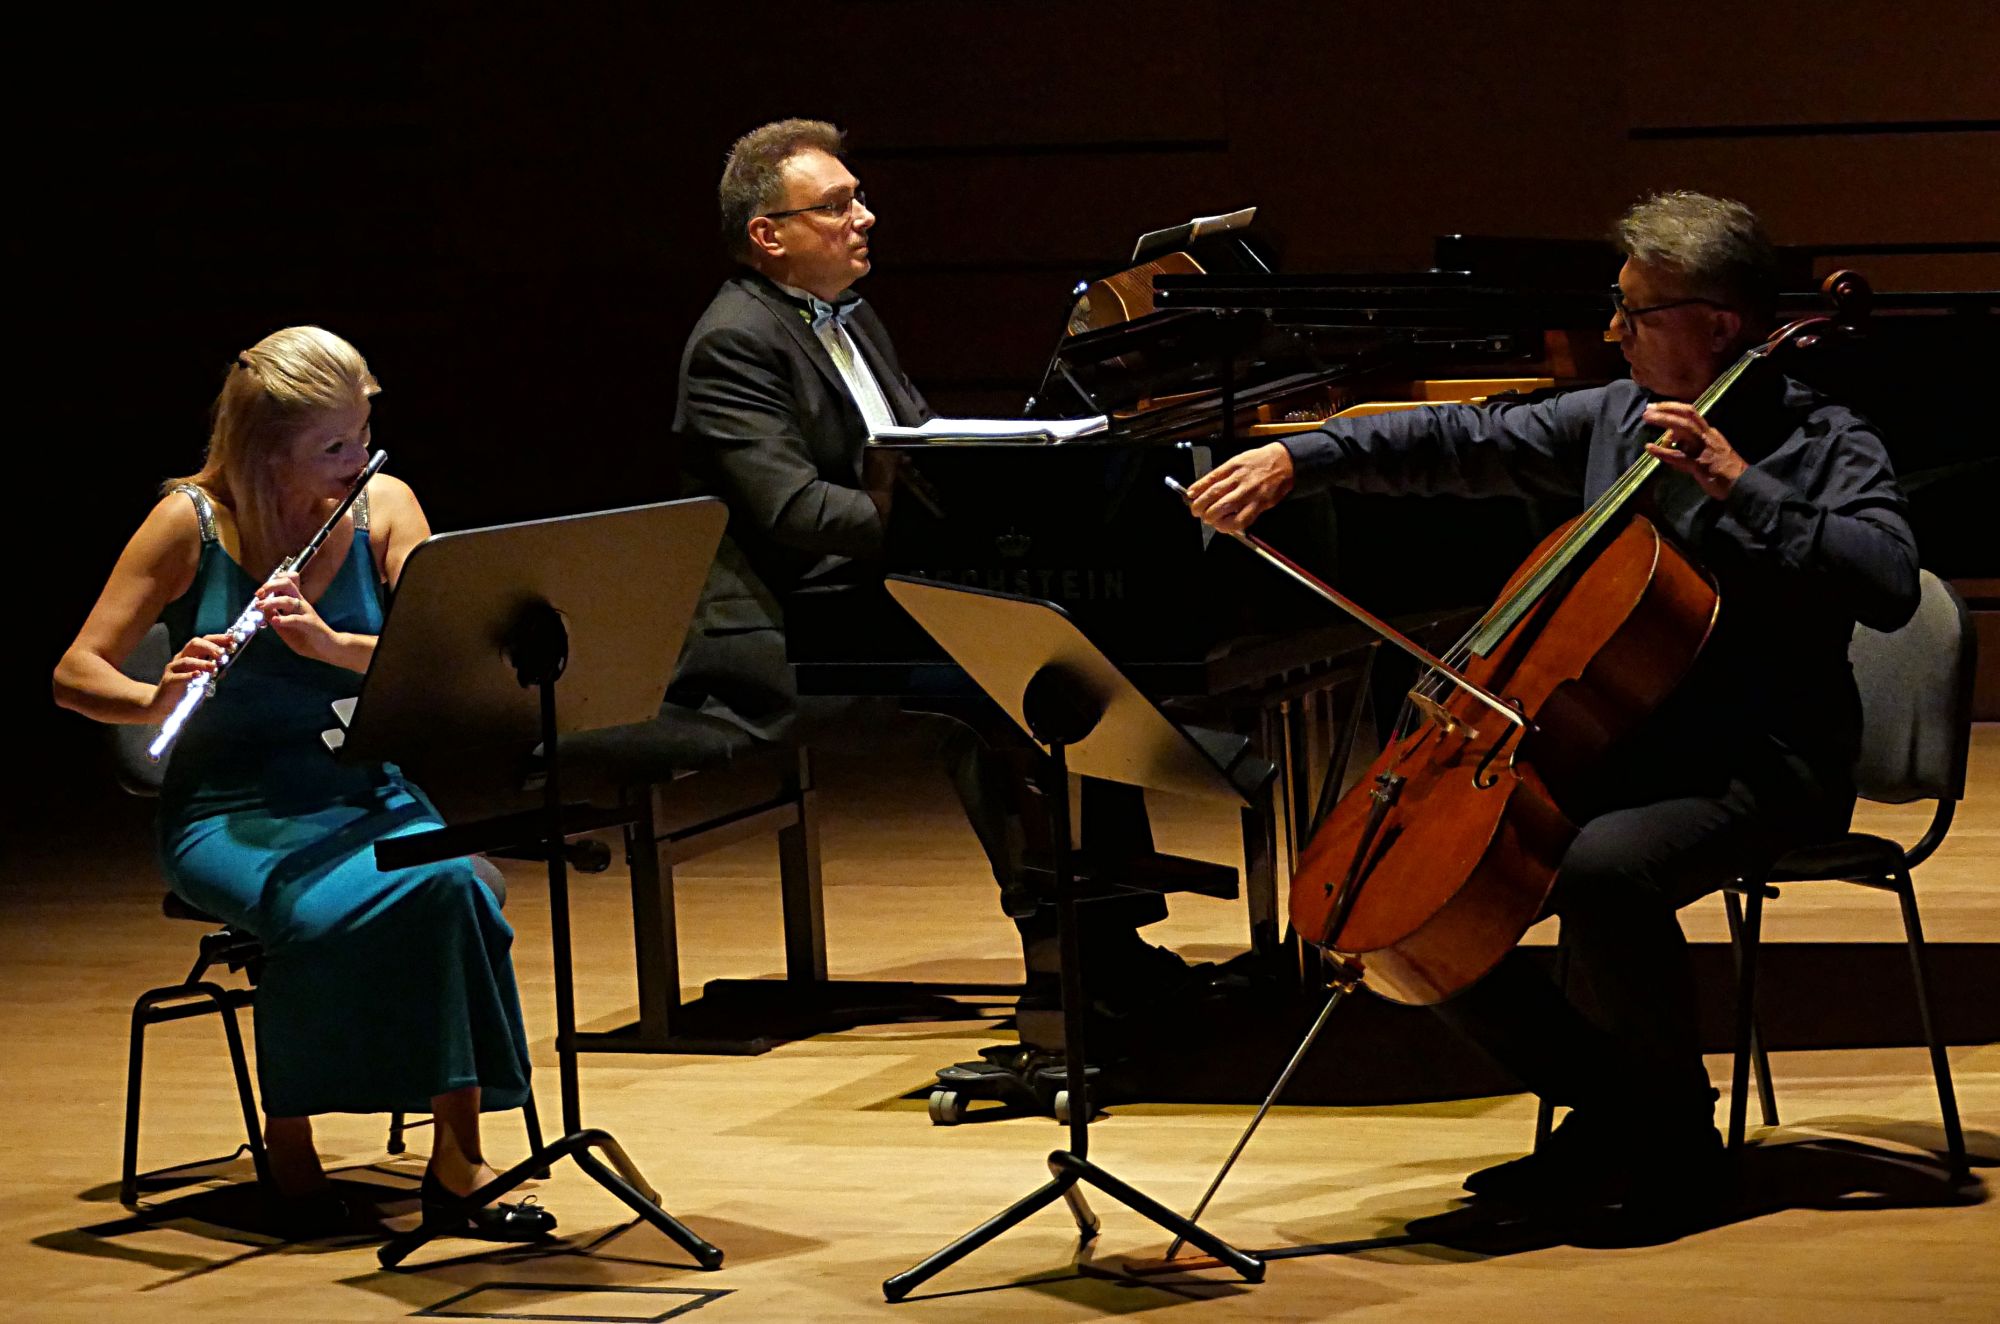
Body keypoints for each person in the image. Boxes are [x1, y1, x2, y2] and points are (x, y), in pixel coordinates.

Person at [1188, 191, 1920, 1221]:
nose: (1612, 330)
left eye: (1634, 311)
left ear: (1717, 325)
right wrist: (1298, 456)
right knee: (1407, 892)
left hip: (1765, 760)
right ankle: (1625, 1110)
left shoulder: (1823, 439)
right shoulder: (1615, 418)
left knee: (1601, 870)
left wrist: (1739, 484)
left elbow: (1888, 581)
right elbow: (1457, 438)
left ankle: (1674, 1151)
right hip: (1619, 753)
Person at [668, 119, 1192, 1022]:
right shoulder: (732, 344)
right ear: (768, 234)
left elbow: (919, 454)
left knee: (1071, 650)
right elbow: (795, 514)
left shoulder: (854, 317)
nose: (865, 217)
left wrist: (1003, 486)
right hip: (777, 626)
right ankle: (1061, 961)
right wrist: (949, 531)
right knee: (999, 683)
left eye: (859, 198)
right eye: (837, 205)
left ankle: (1110, 934)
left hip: (861, 594)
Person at [54, 327, 556, 1242]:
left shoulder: (382, 506)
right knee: (337, 911)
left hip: (363, 791)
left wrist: (331, 646)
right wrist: (152, 698)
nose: (357, 459)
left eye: (363, 435)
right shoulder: (190, 523)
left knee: (452, 885)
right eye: (332, 446)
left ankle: (458, 1159)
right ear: (265, 450)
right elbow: (74, 673)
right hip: (230, 813)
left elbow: (442, 653)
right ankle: (290, 1141)